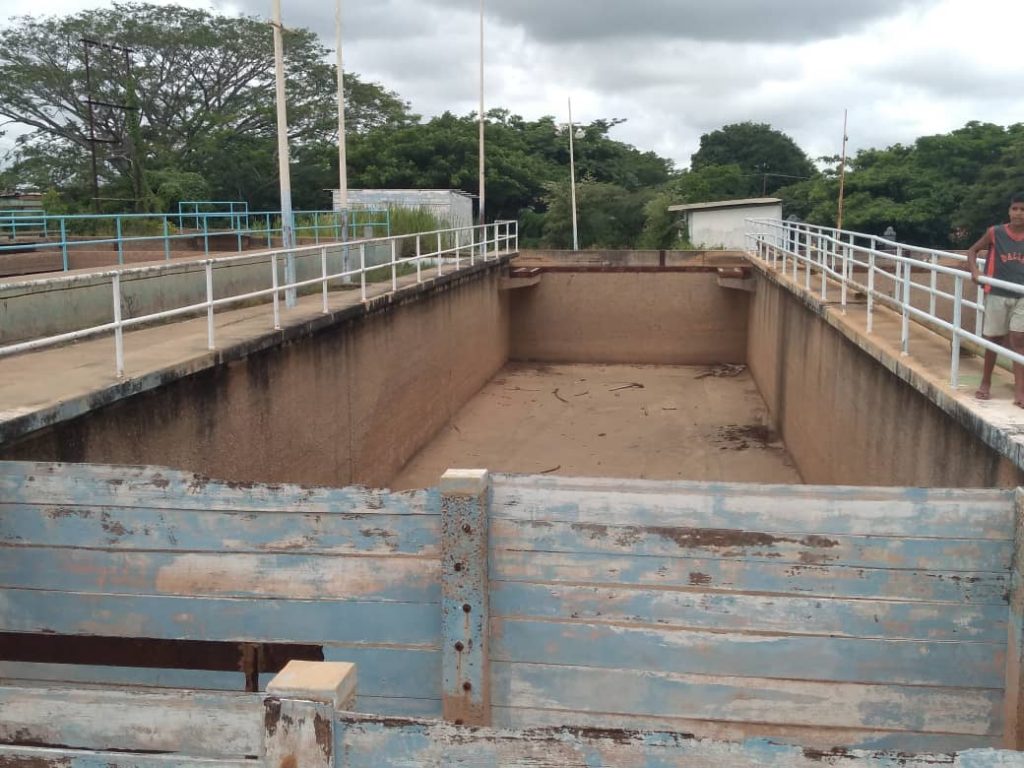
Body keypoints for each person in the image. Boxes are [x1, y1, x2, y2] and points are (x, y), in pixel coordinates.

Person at [968, 193, 1024, 404]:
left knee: (1019, 341)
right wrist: (975, 272)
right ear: (1009, 211)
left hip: (1022, 296)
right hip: (997, 293)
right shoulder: (995, 232)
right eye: (1015, 209)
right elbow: (972, 251)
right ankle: (985, 382)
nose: (1019, 213)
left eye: (1023, 210)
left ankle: (1020, 391)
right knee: (994, 339)